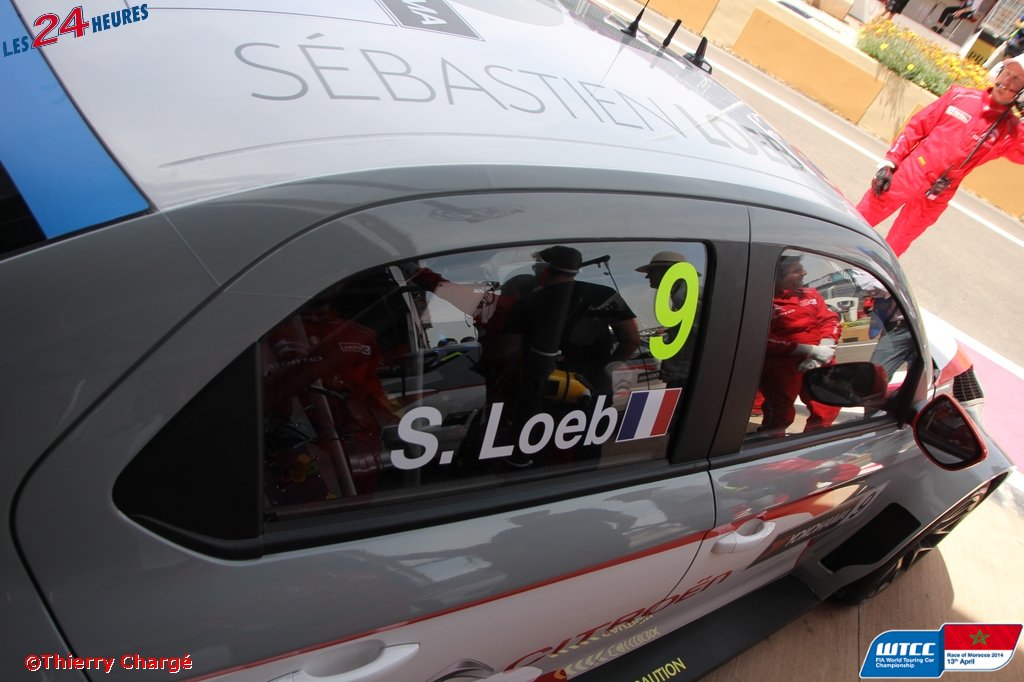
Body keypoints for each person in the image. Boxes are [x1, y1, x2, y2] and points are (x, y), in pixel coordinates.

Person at [856, 58, 1024, 256]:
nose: (1008, 80)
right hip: (910, 173)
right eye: (1007, 73)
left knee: (896, 245)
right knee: (858, 222)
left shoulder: (1011, 130)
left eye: (1017, 79)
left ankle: (866, 274)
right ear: (998, 72)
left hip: (939, 192)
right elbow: (917, 127)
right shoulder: (959, 96)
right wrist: (890, 161)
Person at [756, 255, 841, 436]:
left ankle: (814, 440)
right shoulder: (761, 302)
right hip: (781, 366)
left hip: (822, 358)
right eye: (796, 270)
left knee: (827, 405)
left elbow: (830, 320)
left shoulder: (811, 294)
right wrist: (810, 350)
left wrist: (825, 348)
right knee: (780, 412)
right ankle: (769, 444)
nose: (804, 272)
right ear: (777, 276)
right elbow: (761, 339)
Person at [635, 250, 699, 389]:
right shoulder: (685, 295)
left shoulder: (685, 297)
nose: (647, 276)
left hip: (684, 376)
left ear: (666, 272)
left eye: (652, 271)